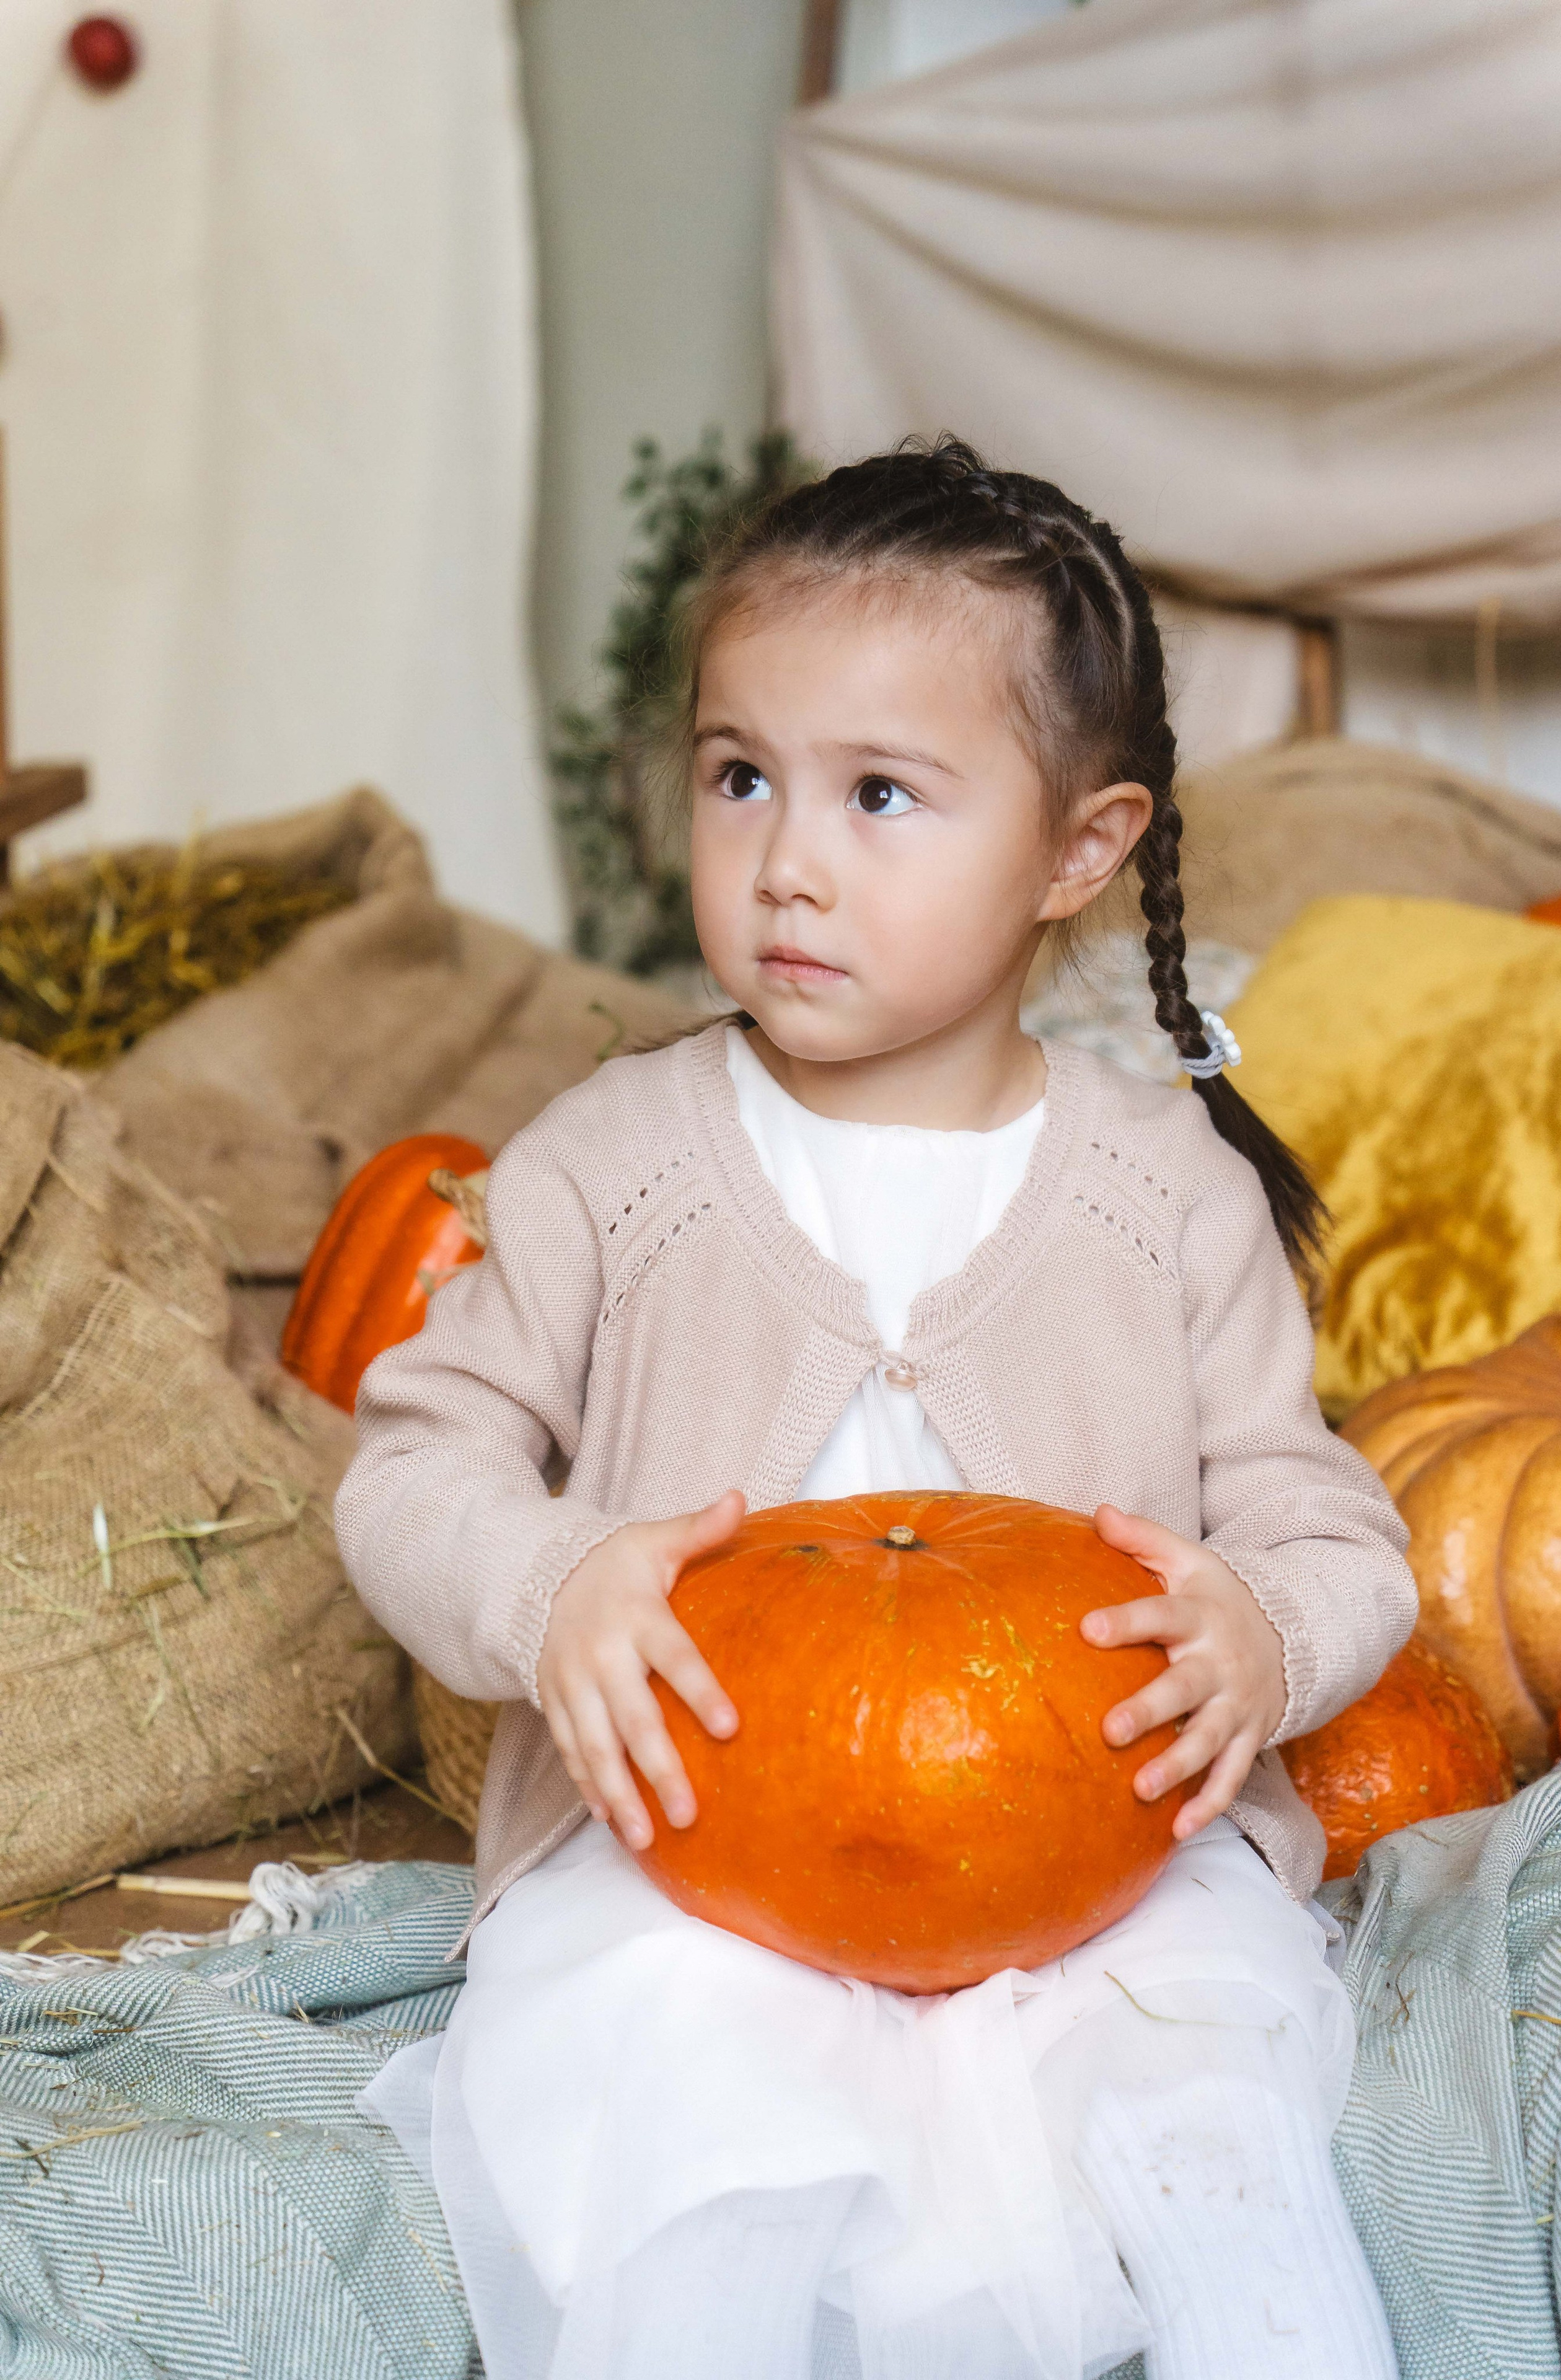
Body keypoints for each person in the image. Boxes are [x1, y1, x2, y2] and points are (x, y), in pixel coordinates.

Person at [340, 438, 1412, 2380]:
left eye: (882, 796)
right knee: (688, 2107)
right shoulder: (615, 1160)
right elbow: (416, 1461)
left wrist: (1267, 1629)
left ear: (1080, 850)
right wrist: (554, 1585)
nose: (787, 862)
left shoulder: (1164, 1197)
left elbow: (1328, 1520)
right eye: (740, 776)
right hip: (695, 1866)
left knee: (1211, 2109)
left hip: (1101, 1872)